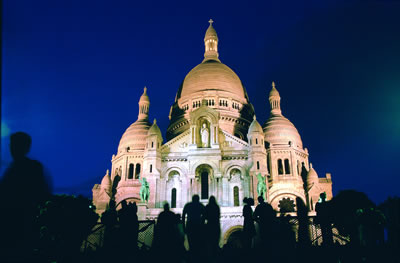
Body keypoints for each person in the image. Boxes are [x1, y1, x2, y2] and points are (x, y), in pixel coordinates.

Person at [0, 132, 51, 261]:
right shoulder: (22, 167)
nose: (12, 147)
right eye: (12, 144)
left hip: (19, 224)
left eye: (15, 144)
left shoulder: (27, 167)